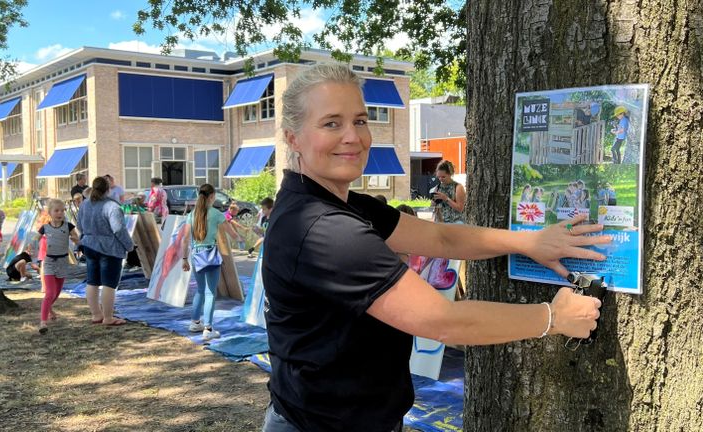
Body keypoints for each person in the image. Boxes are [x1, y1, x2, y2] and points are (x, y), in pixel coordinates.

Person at [261, 64, 609, 432]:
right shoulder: (325, 230)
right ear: (293, 138)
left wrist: (528, 242)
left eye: (360, 121)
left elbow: (442, 238)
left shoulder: (344, 205)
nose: (353, 136)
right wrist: (553, 318)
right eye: (331, 123)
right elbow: (442, 322)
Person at [180, 184, 242, 341]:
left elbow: (185, 239)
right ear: (212, 197)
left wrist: (185, 259)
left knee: (200, 290)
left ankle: (195, 322)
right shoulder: (216, 214)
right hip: (211, 256)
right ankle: (208, 328)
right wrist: (241, 240)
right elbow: (232, 233)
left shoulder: (192, 215)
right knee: (210, 292)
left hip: (195, 255)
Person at [78, 176, 134, 326]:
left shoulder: (85, 205)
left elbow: (80, 226)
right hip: (109, 249)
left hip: (89, 246)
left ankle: (96, 314)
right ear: (108, 189)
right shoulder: (112, 206)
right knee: (109, 284)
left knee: (92, 281)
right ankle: (108, 317)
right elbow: (119, 230)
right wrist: (130, 246)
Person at [37, 199, 79, 334]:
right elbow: (35, 238)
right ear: (50, 212)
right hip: (49, 262)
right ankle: (43, 322)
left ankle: (49, 308)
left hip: (62, 262)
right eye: (56, 210)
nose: (60, 213)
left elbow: (76, 237)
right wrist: (30, 245)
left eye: (62, 210)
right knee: (49, 292)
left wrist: (75, 239)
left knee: (56, 294)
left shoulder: (69, 226)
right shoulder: (45, 227)